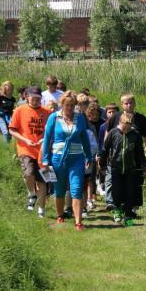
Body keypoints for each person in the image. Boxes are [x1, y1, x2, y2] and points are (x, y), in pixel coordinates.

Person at [42, 92, 93, 231]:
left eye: (72, 105)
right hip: (58, 158)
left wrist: (89, 156)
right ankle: (60, 215)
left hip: (77, 158)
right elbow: (47, 139)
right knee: (60, 189)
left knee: (76, 188)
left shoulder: (80, 118)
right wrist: (45, 159)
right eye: (67, 105)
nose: (69, 108)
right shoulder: (54, 117)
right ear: (62, 105)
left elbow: (84, 139)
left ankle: (78, 222)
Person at [103, 93, 146, 216]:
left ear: (134, 103)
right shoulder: (115, 117)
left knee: (133, 187)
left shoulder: (141, 119)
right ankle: (116, 207)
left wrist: (144, 158)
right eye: (126, 103)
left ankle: (130, 210)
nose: (129, 105)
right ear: (122, 105)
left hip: (134, 161)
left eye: (131, 103)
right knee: (116, 187)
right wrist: (105, 156)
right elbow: (108, 136)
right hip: (116, 160)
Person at [9, 86, 51, 217]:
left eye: (38, 98)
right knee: (28, 173)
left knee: (43, 181)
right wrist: (25, 140)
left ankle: (41, 210)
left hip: (42, 151)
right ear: (27, 97)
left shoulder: (48, 113)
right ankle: (32, 193)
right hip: (25, 148)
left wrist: (44, 140)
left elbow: (52, 132)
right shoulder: (20, 110)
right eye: (33, 98)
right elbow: (12, 129)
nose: (36, 101)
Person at [101, 113, 146, 225]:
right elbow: (105, 149)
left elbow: (140, 153)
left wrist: (145, 166)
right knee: (116, 191)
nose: (126, 130)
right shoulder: (113, 133)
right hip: (116, 167)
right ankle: (117, 211)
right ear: (120, 123)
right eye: (124, 128)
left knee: (130, 191)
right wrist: (102, 165)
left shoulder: (135, 135)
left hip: (131, 168)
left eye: (129, 127)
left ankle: (128, 214)